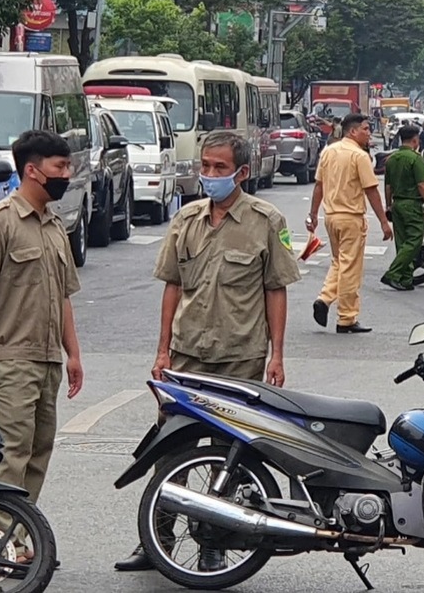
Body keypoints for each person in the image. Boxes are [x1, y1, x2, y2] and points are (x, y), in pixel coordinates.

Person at [115, 131, 301, 572]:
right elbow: (172, 287)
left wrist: (277, 355)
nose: (210, 175)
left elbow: (276, 290)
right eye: (206, 166)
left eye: (220, 168)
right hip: (187, 357)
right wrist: (162, 352)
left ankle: (213, 543)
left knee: (229, 455)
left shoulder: (267, 220)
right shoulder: (186, 220)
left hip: (240, 358)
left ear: (242, 172)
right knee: (171, 451)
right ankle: (155, 538)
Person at [0, 129, 84, 561]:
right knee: (11, 452)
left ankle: (20, 537)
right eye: (59, 168)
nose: (67, 175)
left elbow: (62, 296)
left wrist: (73, 353)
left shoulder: (54, 227)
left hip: (46, 359)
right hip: (7, 356)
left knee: (38, 453)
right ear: (32, 170)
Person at [308, 113, 393, 333]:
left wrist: (313, 214)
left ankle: (325, 298)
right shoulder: (359, 156)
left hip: (331, 217)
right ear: (353, 131)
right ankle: (346, 318)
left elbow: (319, 185)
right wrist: (384, 221)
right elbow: (371, 190)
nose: (368, 133)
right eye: (365, 129)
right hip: (351, 217)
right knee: (350, 269)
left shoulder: (328, 151)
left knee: (339, 262)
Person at [380, 124, 424, 291]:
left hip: (397, 204)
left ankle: (406, 278)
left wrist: (389, 205)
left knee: (402, 241)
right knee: (414, 241)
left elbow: (388, 186)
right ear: (415, 140)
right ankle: (393, 273)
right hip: (412, 204)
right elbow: (422, 185)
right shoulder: (415, 158)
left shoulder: (392, 159)